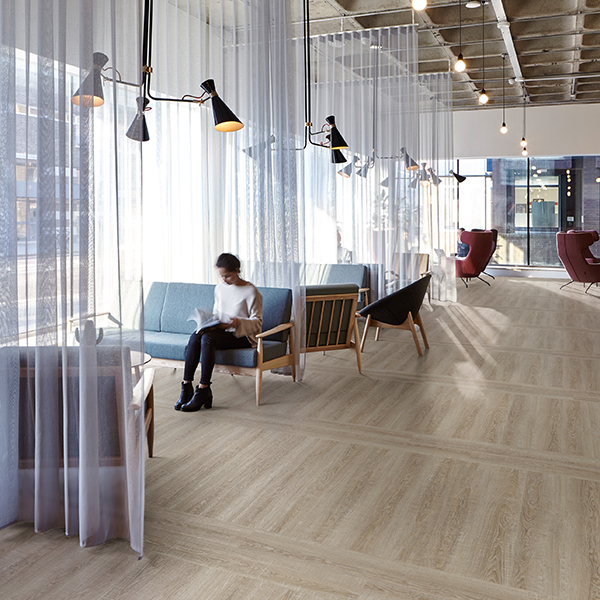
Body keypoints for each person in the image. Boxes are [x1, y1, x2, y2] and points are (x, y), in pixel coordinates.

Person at [175, 253, 263, 412]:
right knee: (196, 336)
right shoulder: (220, 288)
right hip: (222, 331)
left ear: (237, 270)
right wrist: (210, 322)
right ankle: (186, 387)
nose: (224, 279)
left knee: (207, 339)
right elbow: (217, 313)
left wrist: (238, 322)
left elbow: (258, 322)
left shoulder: (251, 291)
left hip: (242, 336)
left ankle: (203, 389)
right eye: (221, 276)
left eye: (227, 276)